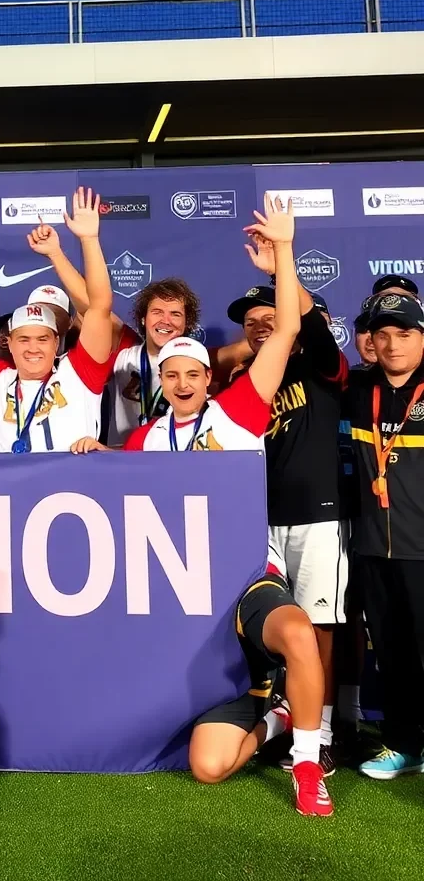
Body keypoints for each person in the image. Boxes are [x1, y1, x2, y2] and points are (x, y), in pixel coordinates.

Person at [123, 196, 332, 816]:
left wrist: (285, 253)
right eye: (171, 375)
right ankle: (275, 716)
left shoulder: (238, 412)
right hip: (184, 594)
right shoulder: (144, 439)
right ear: (160, 381)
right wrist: (90, 449)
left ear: (209, 378)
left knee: (297, 631)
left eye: (193, 373)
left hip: (244, 581)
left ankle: (308, 765)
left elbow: (290, 327)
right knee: (209, 767)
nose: (183, 383)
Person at [227, 230, 349, 775]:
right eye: (251, 322)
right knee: (272, 626)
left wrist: (283, 262)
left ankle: (320, 732)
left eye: (270, 317)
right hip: (258, 518)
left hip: (318, 516)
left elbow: (309, 329)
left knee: (318, 627)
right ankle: (282, 715)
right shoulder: (243, 380)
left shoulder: (322, 367)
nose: (261, 325)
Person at [27, 242, 250, 448]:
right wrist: (55, 254)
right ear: (143, 319)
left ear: (187, 323)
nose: (166, 321)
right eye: (157, 312)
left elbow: (250, 346)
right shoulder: (126, 348)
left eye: (175, 314)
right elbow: (93, 307)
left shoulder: (198, 361)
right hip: (121, 460)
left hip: (180, 457)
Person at [343, 293, 424, 780]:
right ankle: (404, 745)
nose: (393, 344)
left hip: (423, 549)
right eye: (382, 334)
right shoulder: (357, 389)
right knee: (392, 652)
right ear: (369, 341)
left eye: (406, 333)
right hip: (373, 547)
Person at [0, 188, 113, 453]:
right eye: (24, 339)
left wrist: (87, 240)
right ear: (8, 342)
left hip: (72, 491)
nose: (33, 348)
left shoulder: (79, 373)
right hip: (9, 493)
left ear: (56, 342)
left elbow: (100, 307)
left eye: (42, 339)